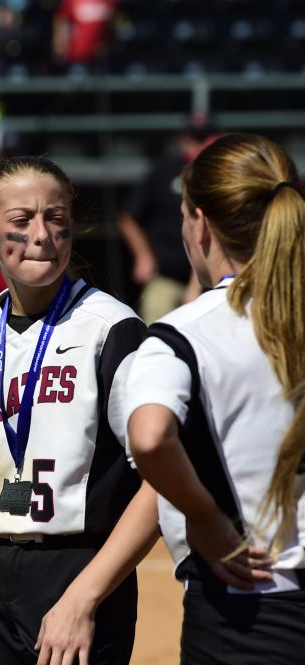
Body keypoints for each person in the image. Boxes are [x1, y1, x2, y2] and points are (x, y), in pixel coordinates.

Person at [0, 156, 159, 665]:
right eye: (21, 221)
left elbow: (160, 480)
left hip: (78, 567)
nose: (42, 235)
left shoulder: (111, 329)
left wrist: (83, 599)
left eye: (56, 219)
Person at [125, 133, 305, 664]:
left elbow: (151, 435)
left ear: (200, 224)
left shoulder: (185, 333)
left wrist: (203, 515)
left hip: (249, 610)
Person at [117, 116, 215, 322]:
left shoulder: (216, 173)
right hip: (166, 274)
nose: (196, 146)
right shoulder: (165, 170)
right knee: (153, 324)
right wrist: (143, 255)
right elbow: (128, 216)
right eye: (193, 139)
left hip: (211, 279)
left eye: (203, 139)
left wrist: (194, 288)